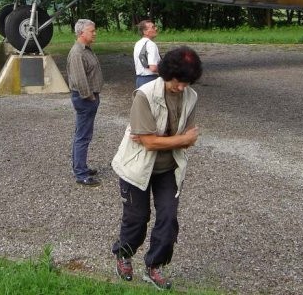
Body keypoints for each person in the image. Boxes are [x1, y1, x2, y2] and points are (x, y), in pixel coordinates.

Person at [111, 46, 203, 290]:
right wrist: (178, 140)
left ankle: (154, 266)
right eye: (178, 81)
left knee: (168, 219)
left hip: (168, 169)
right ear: (166, 73)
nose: (181, 87)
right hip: (136, 168)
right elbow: (150, 143)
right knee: (137, 219)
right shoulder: (145, 94)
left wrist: (164, 139)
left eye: (187, 82)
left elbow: (186, 138)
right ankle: (123, 255)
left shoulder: (191, 96)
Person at [66, 19, 104, 186]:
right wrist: (90, 97)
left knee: (82, 134)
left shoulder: (86, 50)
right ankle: (81, 173)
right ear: (81, 33)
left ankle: (80, 166)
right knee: (83, 136)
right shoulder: (77, 53)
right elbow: (80, 81)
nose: (94, 33)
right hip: (85, 99)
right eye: (91, 31)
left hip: (89, 98)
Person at [133, 20, 161, 88]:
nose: (156, 29)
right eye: (153, 27)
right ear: (145, 32)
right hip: (150, 80)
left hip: (139, 80)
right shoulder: (151, 44)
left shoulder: (138, 43)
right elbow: (153, 68)